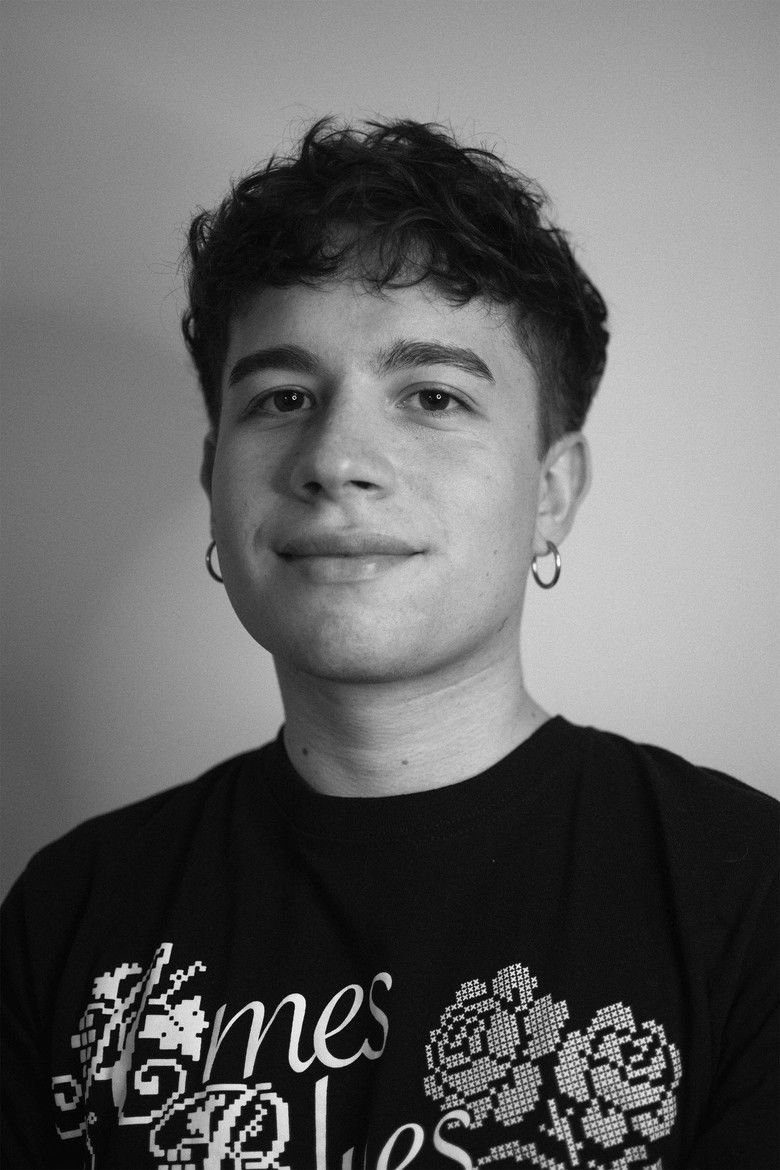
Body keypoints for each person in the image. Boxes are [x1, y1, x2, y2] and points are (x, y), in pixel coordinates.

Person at [1, 118, 777, 1170]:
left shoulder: (747, 895)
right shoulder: (68, 912)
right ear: (215, 476)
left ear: (551, 493)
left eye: (433, 397)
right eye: (283, 398)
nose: (336, 458)